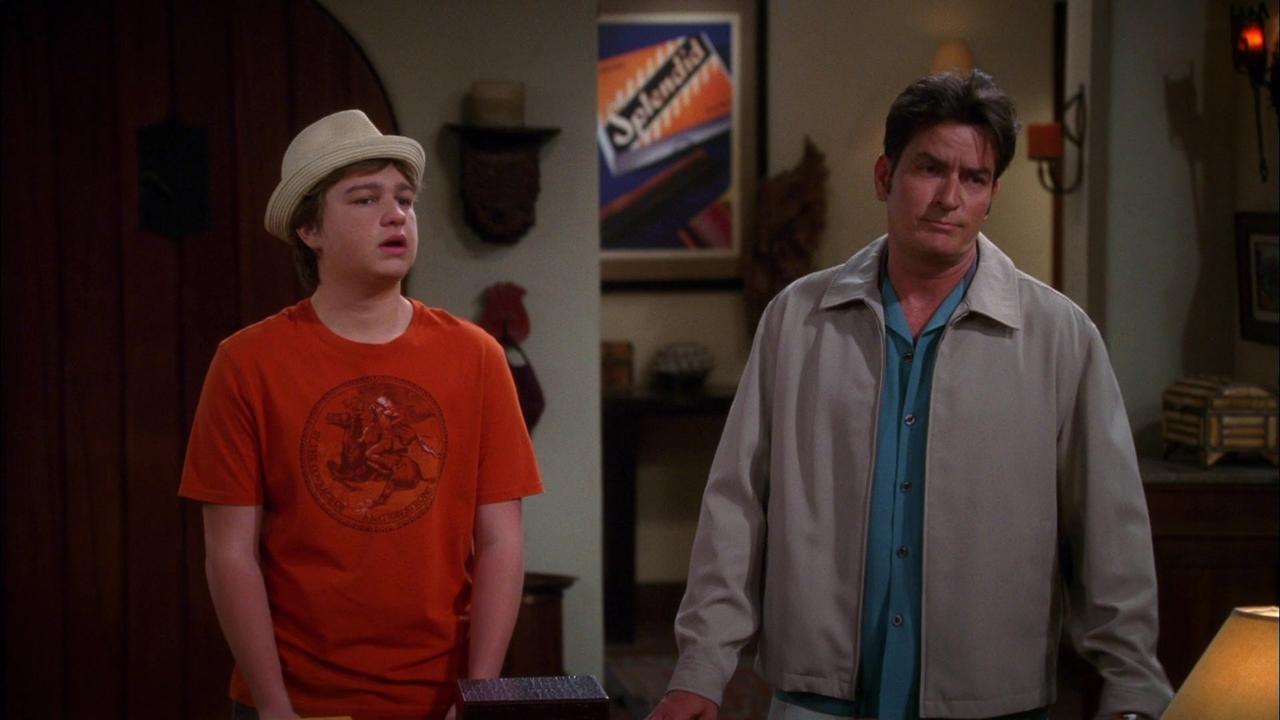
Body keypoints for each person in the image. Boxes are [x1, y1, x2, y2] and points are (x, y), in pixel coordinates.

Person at [647, 72, 1171, 720]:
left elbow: (1110, 531)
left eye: (974, 178)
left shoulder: (1059, 336)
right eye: (929, 169)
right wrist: (700, 669)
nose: (949, 197)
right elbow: (736, 505)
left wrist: (1132, 687)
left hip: (987, 703)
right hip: (817, 699)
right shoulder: (798, 319)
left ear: (992, 195)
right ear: (884, 176)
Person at [179, 109, 543, 720]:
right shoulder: (247, 363)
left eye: (404, 199)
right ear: (310, 230)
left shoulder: (476, 356)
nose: (395, 214)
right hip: (297, 699)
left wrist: (477, 695)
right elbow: (230, 553)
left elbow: (502, 539)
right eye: (365, 198)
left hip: (438, 697)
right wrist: (274, 706)